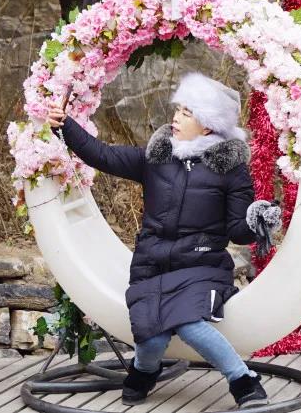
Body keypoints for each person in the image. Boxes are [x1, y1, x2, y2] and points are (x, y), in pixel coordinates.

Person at [46, 71, 282, 408]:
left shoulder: (231, 170)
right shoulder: (156, 158)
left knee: (188, 323)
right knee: (152, 338)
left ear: (208, 126)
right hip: (152, 265)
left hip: (201, 266)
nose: (176, 117)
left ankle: (244, 382)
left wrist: (257, 220)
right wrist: (66, 126)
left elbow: (237, 231)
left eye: (187, 113)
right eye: (178, 109)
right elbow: (103, 155)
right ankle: (144, 371)